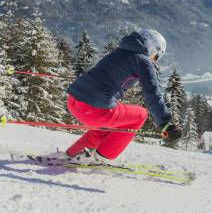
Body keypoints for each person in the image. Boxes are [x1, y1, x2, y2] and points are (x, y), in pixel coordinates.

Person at [45, 29, 181, 165]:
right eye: (156, 56)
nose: (154, 60)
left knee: (110, 124)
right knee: (140, 115)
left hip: (74, 101)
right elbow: (152, 93)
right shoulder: (143, 61)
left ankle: (70, 155)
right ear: (152, 47)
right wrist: (165, 124)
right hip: (93, 109)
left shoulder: (120, 51)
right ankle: (103, 158)